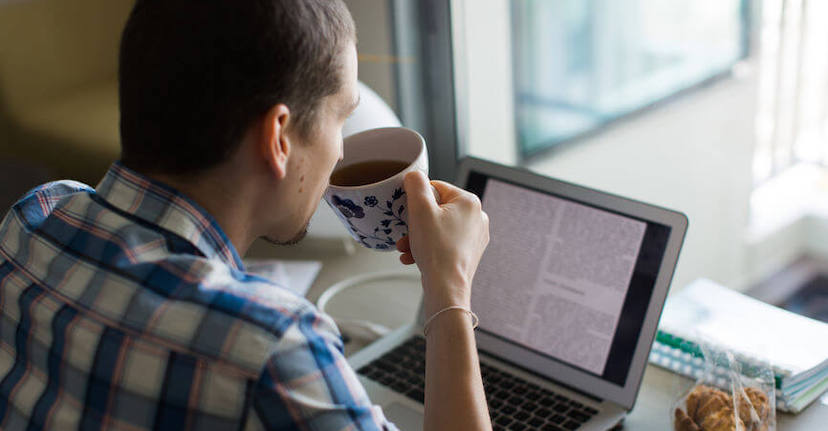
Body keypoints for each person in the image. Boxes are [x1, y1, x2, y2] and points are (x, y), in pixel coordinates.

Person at [0, 1, 491, 430]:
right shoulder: (273, 348)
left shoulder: (33, 217)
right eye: (341, 117)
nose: (340, 151)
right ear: (278, 137)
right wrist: (449, 287)